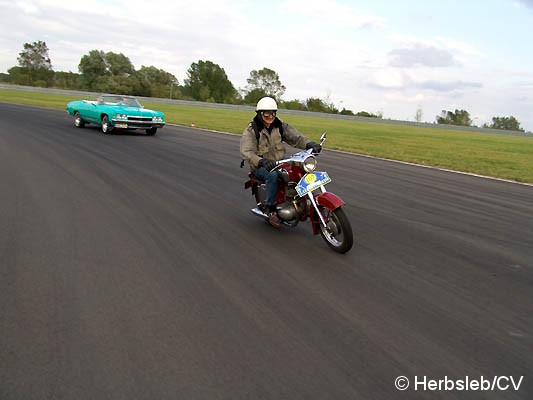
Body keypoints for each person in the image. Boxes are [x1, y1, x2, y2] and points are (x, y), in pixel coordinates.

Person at [240, 97, 322, 228]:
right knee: (272, 176)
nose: (271, 116)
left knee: (299, 170)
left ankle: (300, 200)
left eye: (273, 113)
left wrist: (309, 144)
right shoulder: (252, 130)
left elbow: (295, 137)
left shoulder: (279, 125)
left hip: (279, 162)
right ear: (260, 114)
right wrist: (261, 161)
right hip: (260, 166)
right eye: (267, 113)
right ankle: (271, 209)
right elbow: (246, 151)